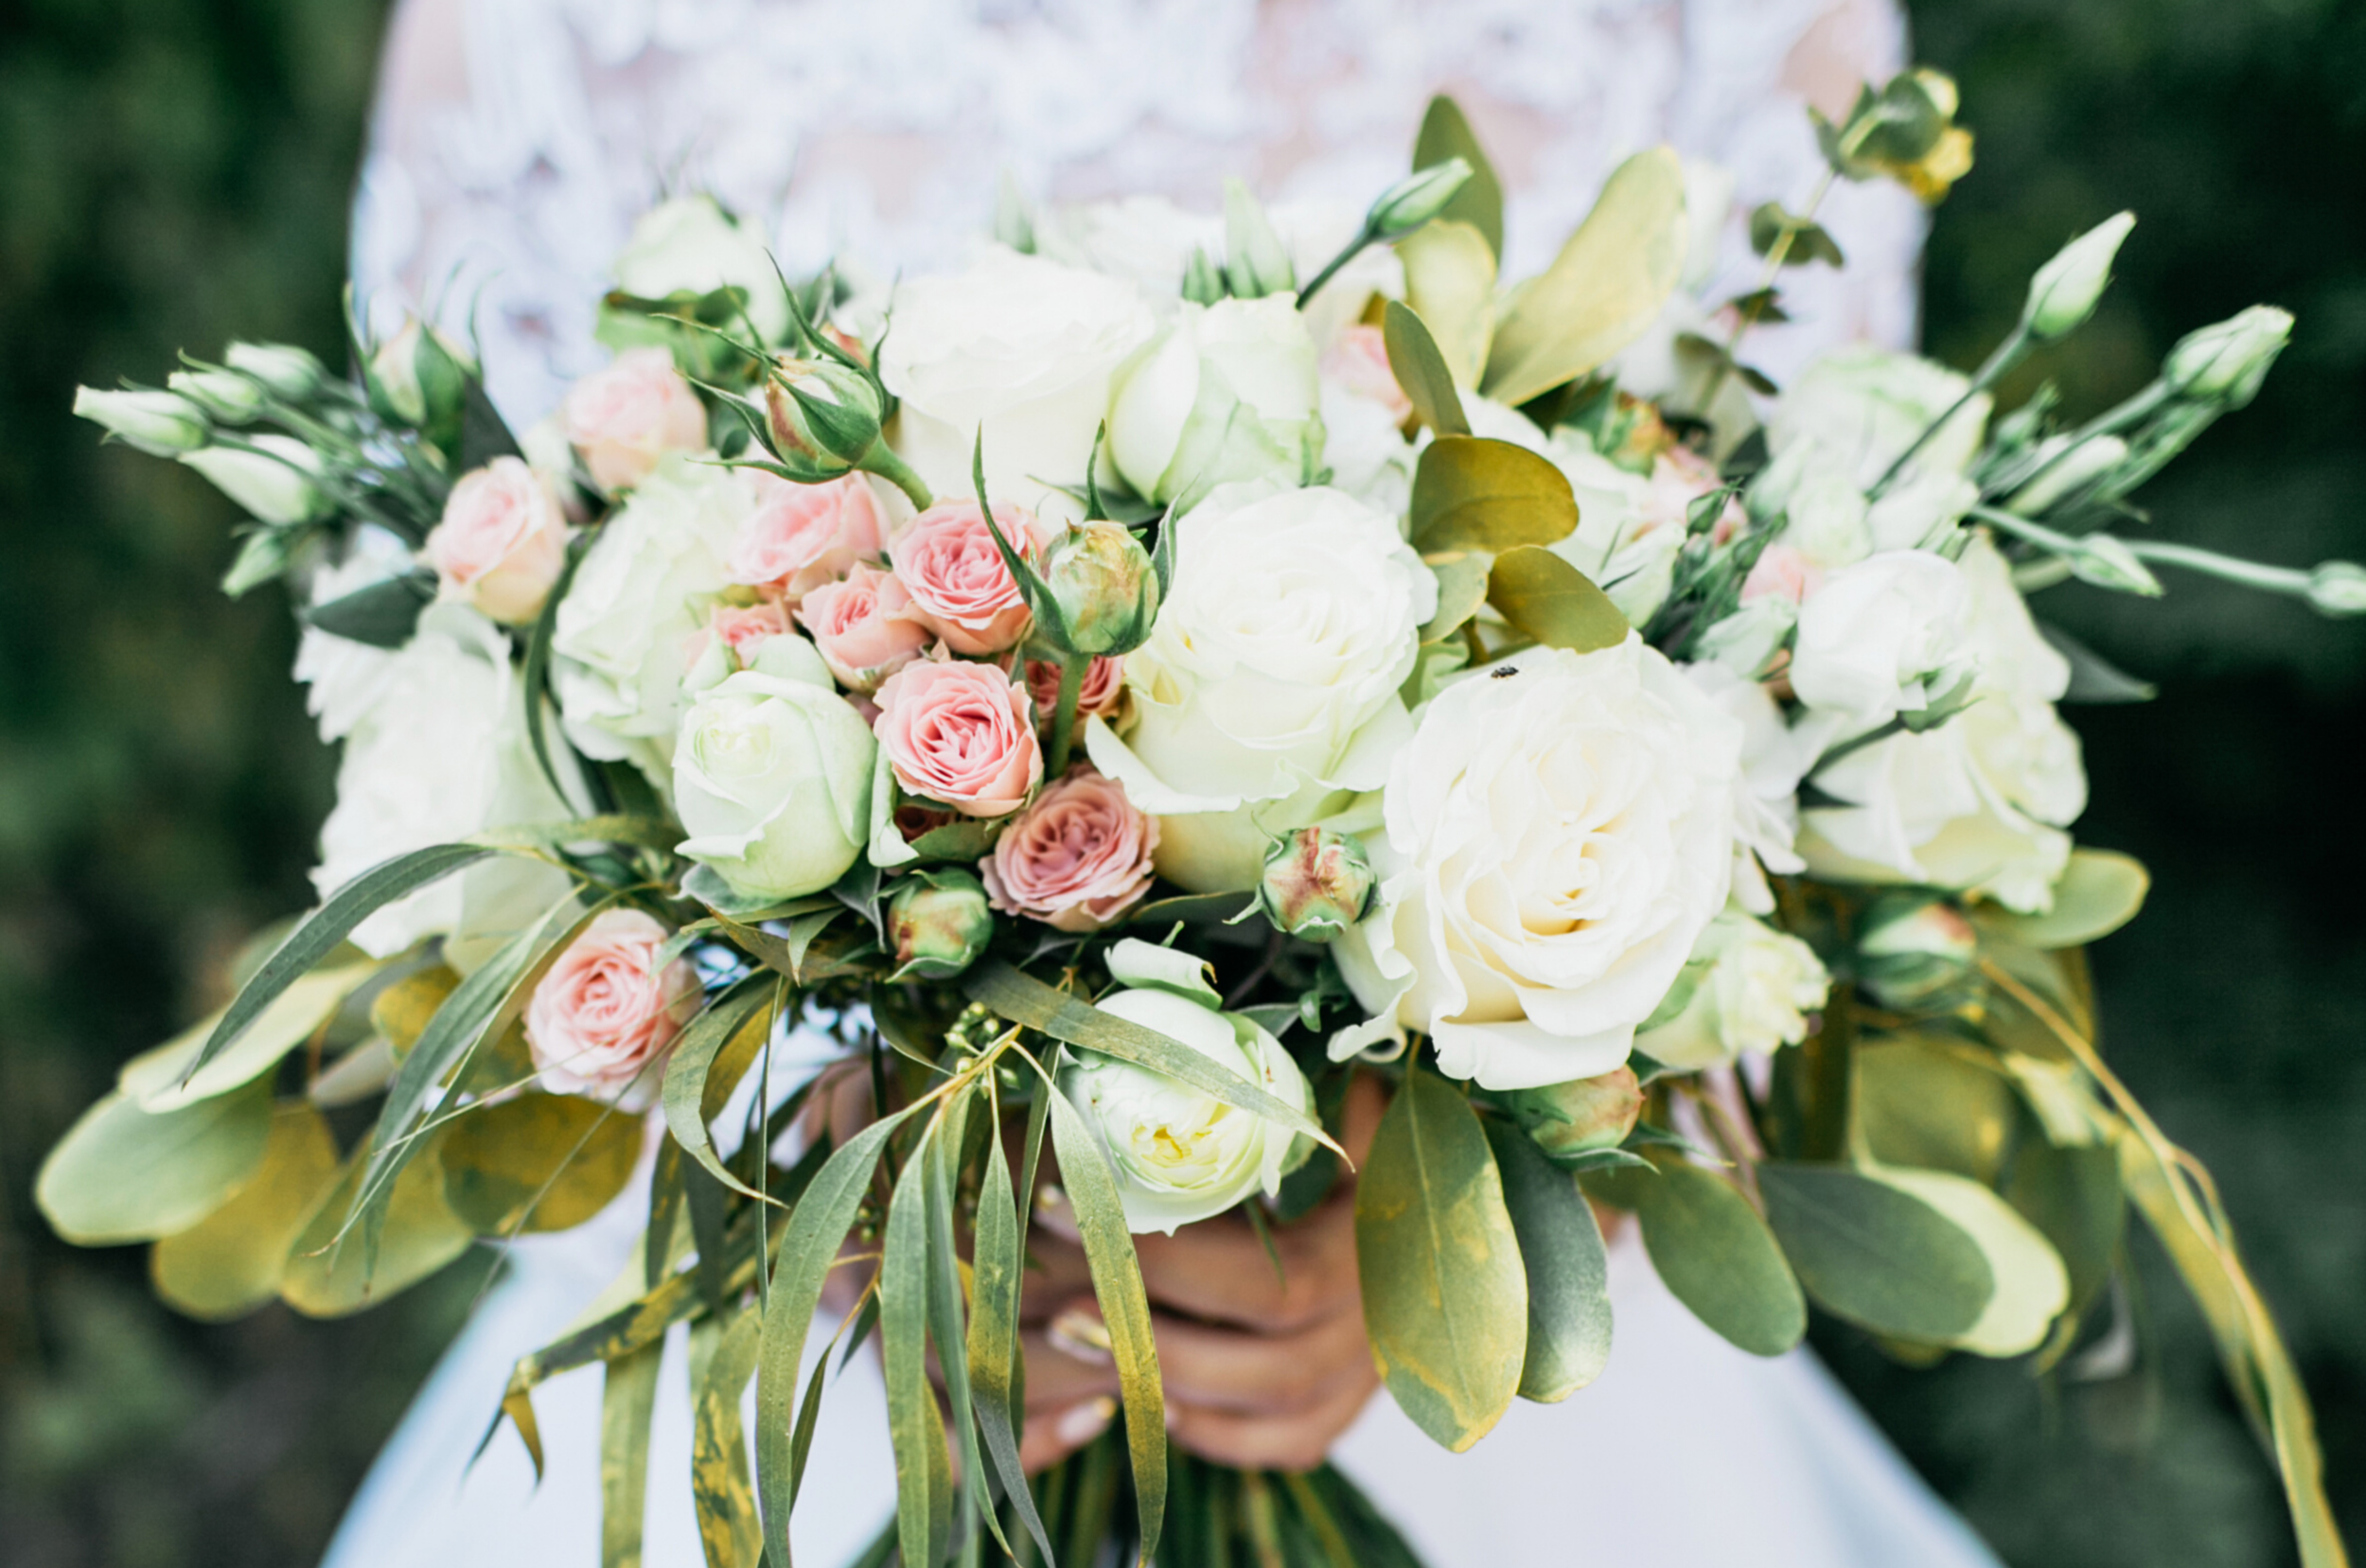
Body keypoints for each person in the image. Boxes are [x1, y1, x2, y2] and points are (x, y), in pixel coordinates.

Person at [327, 4, 2004, 1565]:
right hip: (839, 1324)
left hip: (1486, 1375)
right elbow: (456, 691)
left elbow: (1799, 692)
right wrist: (786, 1150)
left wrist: (1449, 1246)